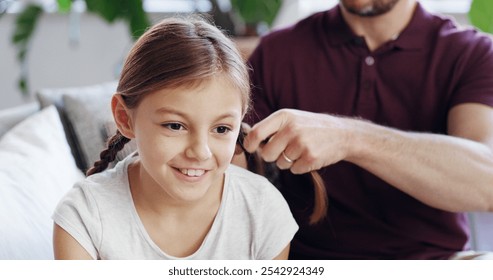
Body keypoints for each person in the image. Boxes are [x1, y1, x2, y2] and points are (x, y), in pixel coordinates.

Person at [242, 0, 493, 259]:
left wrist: (350, 138)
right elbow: (239, 164)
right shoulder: (278, 50)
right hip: (308, 261)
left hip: (436, 262)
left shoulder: (472, 52)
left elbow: (487, 185)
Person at [52, 17, 298, 260]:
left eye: (221, 129)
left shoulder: (265, 212)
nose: (200, 152)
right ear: (124, 118)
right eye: (175, 125)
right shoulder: (83, 217)